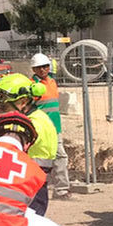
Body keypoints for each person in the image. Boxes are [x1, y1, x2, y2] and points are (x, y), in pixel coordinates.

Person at [0, 74, 56, 214]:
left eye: (4, 105)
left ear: (23, 102)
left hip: (31, 186)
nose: (0, 109)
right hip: (31, 182)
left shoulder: (32, 125)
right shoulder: (36, 118)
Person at [31, 52, 70, 199]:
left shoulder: (52, 82)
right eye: (39, 67)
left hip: (55, 128)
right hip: (40, 129)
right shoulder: (32, 86)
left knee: (60, 156)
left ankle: (62, 190)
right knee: (40, 160)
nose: (42, 70)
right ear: (34, 69)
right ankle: (37, 190)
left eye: (45, 66)